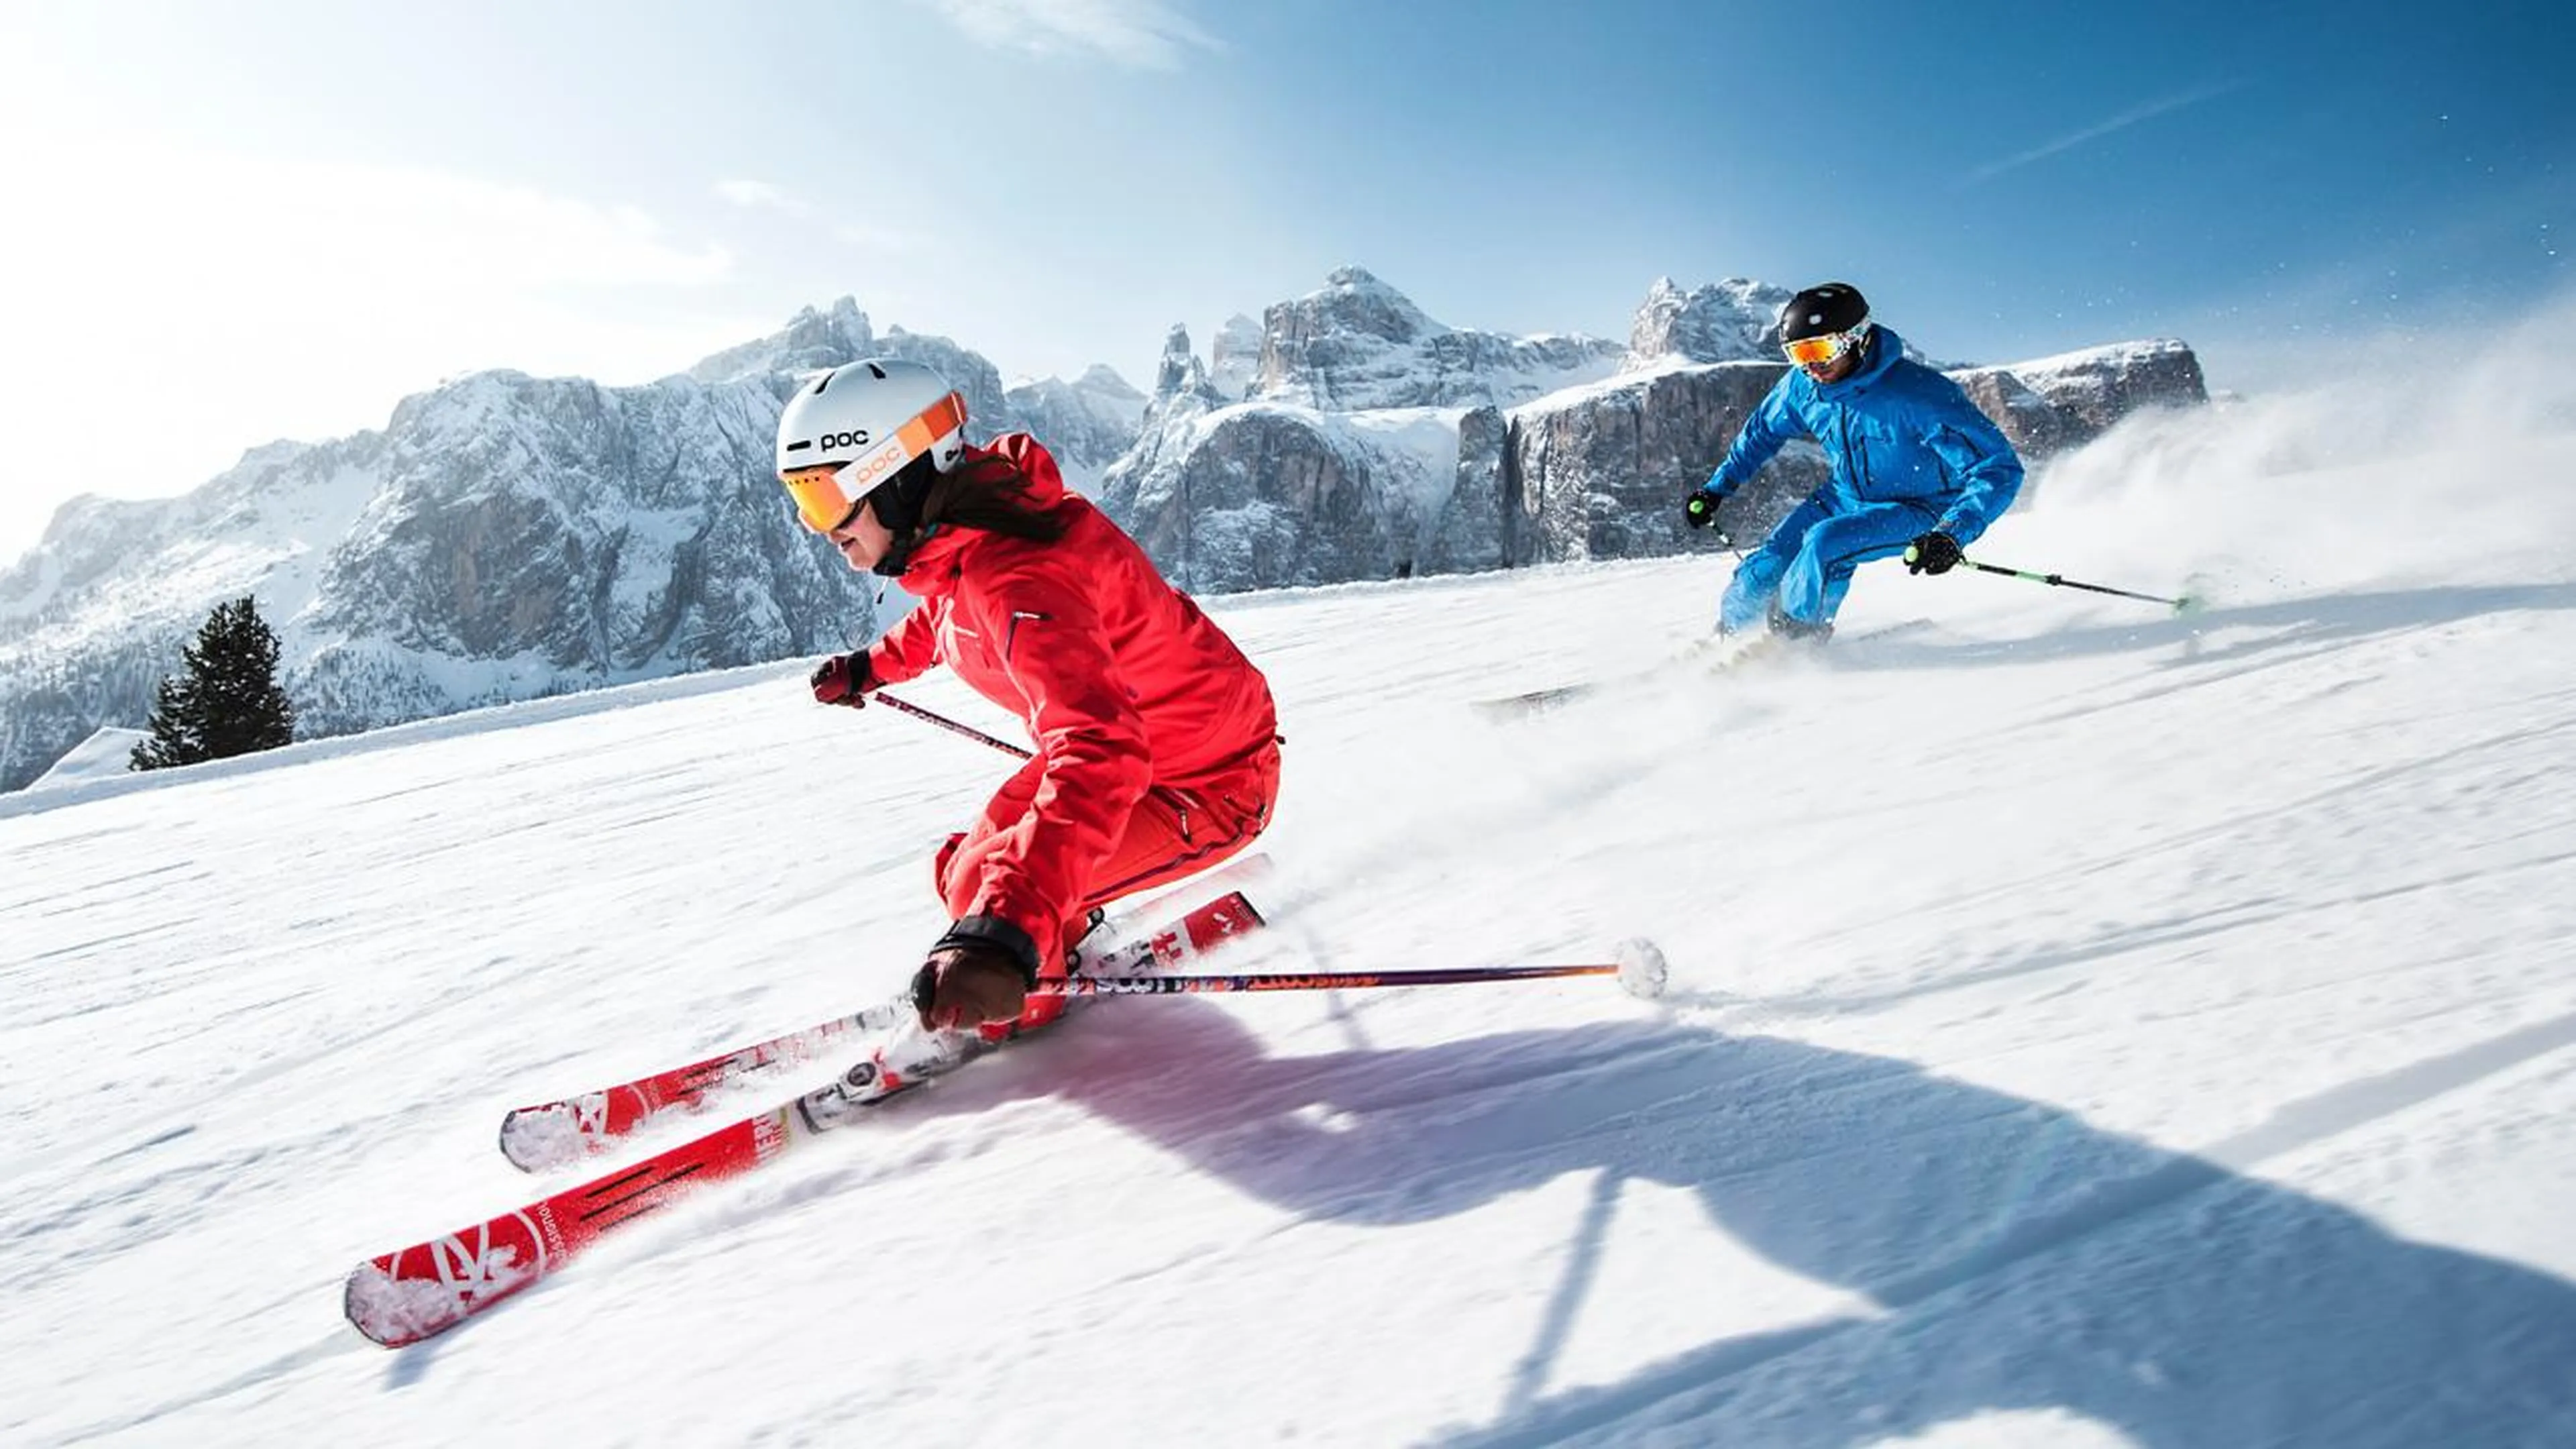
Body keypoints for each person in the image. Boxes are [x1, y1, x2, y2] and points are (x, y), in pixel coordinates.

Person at [778, 358, 1282, 1038]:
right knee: (967, 875)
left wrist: (1002, 935)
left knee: (988, 890)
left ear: (894, 477)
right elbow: (949, 618)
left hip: (1208, 780)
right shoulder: (967, 540)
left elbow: (1102, 749)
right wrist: (872, 667)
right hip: (1146, 752)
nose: (821, 528)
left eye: (825, 500)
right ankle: (1044, 946)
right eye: (803, 502)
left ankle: (1029, 984)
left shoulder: (1020, 577)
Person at [1683, 282, 2023, 640]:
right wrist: (1716, 489)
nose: (1811, 365)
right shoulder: (1803, 387)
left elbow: (1997, 468)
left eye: (1820, 349)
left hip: (1921, 508)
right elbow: (1761, 434)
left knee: (1825, 544)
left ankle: (1796, 641)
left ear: (1856, 337)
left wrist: (1951, 534)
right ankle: (1731, 638)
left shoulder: (1919, 394)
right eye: (1798, 354)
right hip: (1843, 496)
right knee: (1761, 572)